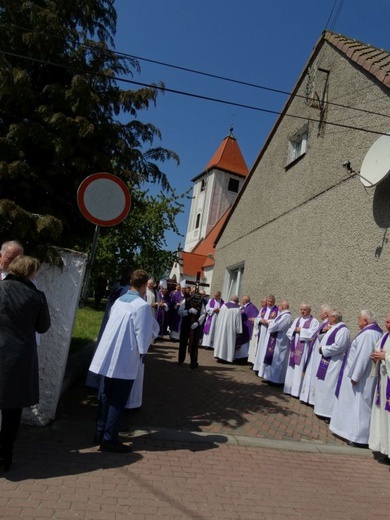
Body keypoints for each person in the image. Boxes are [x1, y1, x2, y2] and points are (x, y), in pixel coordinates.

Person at [89, 269, 159, 453]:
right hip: (125, 358)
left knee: (105, 395)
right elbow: (143, 336)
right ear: (144, 286)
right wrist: (143, 352)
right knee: (117, 400)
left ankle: (99, 431)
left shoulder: (120, 301)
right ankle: (109, 439)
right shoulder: (141, 306)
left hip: (108, 356)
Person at [0, 255, 51, 470]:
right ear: (31, 272)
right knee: (12, 409)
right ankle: (5, 456)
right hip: (20, 356)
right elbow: (43, 327)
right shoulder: (36, 296)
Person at [329, 309, 382, 447]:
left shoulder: (369, 334)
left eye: (359, 318)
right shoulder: (373, 332)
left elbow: (363, 357)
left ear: (365, 321)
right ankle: (350, 432)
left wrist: (355, 376)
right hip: (363, 377)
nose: (357, 320)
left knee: (360, 406)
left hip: (361, 378)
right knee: (356, 406)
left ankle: (359, 437)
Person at [313, 309, 350, 421]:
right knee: (323, 385)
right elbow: (320, 338)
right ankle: (321, 409)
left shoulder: (343, 330)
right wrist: (324, 331)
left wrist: (323, 349)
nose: (327, 318)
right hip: (326, 361)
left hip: (334, 363)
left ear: (334, 318)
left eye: (329, 316)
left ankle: (328, 413)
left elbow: (339, 346)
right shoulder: (333, 327)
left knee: (329, 386)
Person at [283, 304, 319, 397]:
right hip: (294, 347)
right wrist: (294, 330)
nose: (302, 311)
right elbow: (290, 330)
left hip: (304, 349)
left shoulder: (314, 321)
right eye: (301, 309)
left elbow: (313, 334)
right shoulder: (297, 319)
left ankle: (296, 391)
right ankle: (289, 388)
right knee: (292, 367)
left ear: (309, 311)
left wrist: (301, 330)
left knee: (299, 369)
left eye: (304, 310)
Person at [299, 304, 332, 405]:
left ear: (326, 314)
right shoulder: (323, 324)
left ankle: (311, 399)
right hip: (314, 351)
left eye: (321, 312)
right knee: (310, 373)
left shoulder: (328, 325)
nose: (320, 314)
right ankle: (306, 397)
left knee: (313, 375)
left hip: (318, 353)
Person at [369, 314, 390, 464]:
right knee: (383, 417)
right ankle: (385, 449)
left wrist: (386, 357)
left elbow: (386, 355)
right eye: (386, 322)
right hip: (383, 383)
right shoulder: (385, 336)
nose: (387, 324)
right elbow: (378, 349)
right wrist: (375, 356)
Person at [259, 300, 292, 384]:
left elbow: (276, 326)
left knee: (278, 360)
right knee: (273, 360)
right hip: (275, 340)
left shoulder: (287, 316)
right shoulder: (281, 315)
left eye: (279, 305)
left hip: (280, 342)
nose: (278, 307)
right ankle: (270, 377)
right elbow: (274, 322)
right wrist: (270, 322)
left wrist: (269, 324)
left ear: (283, 307)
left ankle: (276, 380)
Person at [177, 288, 205, 369]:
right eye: (192, 292)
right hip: (186, 324)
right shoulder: (186, 301)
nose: (194, 294)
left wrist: (198, 322)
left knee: (194, 344)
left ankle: (193, 362)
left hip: (195, 326)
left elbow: (203, 314)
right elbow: (180, 312)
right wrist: (188, 311)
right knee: (183, 342)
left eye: (196, 292)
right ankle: (181, 359)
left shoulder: (201, 303)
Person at [252, 295, 279, 374]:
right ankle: (258, 367)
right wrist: (260, 320)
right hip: (262, 331)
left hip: (270, 333)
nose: (269, 303)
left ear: (274, 302)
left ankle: (264, 369)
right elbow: (257, 318)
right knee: (260, 348)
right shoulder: (263, 309)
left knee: (266, 349)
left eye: (271, 301)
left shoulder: (277, 310)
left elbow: (277, 321)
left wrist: (268, 321)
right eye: (268, 301)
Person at [213, 296, 243, 363]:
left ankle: (219, 356)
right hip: (230, 329)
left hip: (222, 327)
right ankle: (227, 358)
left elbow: (219, 317)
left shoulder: (224, 306)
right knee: (228, 342)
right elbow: (238, 321)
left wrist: (218, 326)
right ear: (237, 301)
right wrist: (239, 330)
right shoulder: (237, 309)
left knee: (221, 341)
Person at [235, 296, 259, 364]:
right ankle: (238, 358)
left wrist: (253, 320)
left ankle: (243, 358)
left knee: (245, 345)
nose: (242, 301)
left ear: (245, 301)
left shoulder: (252, 307)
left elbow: (256, 316)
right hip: (242, 327)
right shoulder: (243, 307)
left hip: (247, 328)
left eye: (242, 300)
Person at [247, 297, 266, 365]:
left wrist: (255, 320)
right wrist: (254, 319)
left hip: (262, 332)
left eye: (262, 302)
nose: (261, 303)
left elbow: (262, 320)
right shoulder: (262, 309)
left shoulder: (268, 310)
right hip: (257, 330)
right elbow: (258, 318)